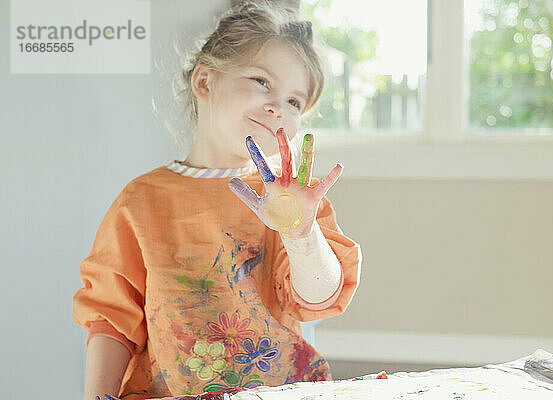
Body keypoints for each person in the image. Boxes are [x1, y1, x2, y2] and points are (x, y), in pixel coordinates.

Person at [72, 2, 362, 399]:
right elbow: (111, 318)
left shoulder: (295, 199)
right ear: (205, 82)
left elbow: (318, 297)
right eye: (262, 81)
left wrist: (301, 234)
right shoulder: (140, 202)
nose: (279, 105)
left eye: (296, 101)